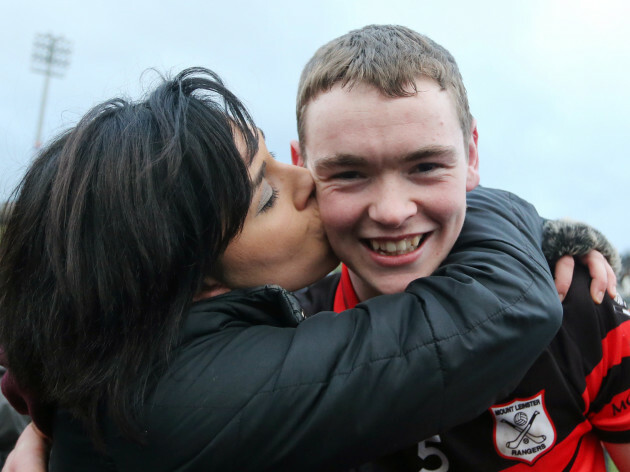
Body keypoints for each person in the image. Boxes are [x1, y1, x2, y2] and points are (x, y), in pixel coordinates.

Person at [0, 66, 568, 472]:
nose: (310, 184)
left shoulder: (124, 373)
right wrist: (456, 188)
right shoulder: (183, 403)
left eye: (275, 160)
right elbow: (505, 301)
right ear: (183, 273)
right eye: (266, 195)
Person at [290, 24, 630, 471]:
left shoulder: (577, 300)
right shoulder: (281, 340)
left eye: (426, 165)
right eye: (350, 173)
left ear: (471, 155)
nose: (392, 212)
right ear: (301, 169)